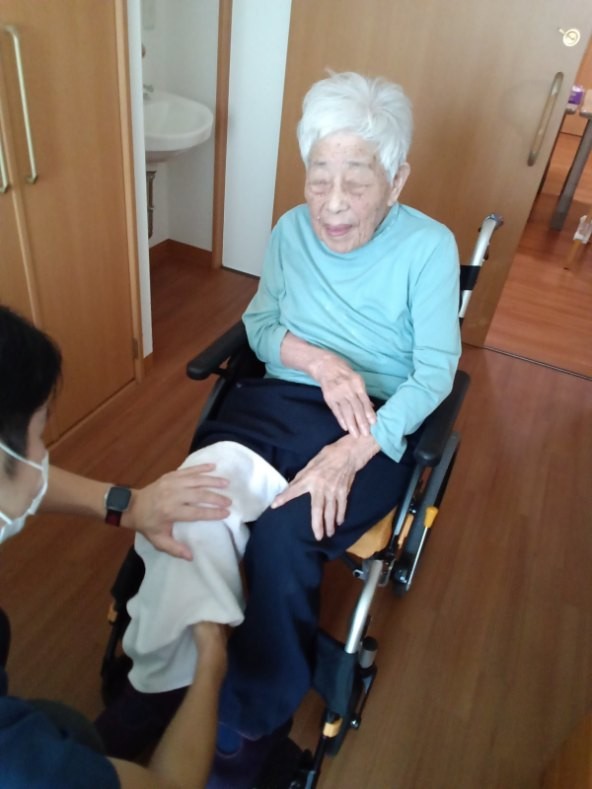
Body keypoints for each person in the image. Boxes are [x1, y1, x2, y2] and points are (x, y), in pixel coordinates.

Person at [106, 70, 462, 787]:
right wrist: (321, 361)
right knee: (195, 503)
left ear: (396, 180)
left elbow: (434, 373)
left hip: (373, 423)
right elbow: (263, 325)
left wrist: (351, 451)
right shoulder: (290, 230)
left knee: (283, 534)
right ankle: (161, 677)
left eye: (356, 180)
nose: (332, 203)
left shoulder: (428, 247)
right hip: (277, 403)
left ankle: (248, 724)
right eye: (318, 176)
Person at [0, 304, 232, 788]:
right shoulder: (18, 765)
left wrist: (131, 506)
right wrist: (212, 659)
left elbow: (29, 481)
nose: (44, 455)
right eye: (39, 435)